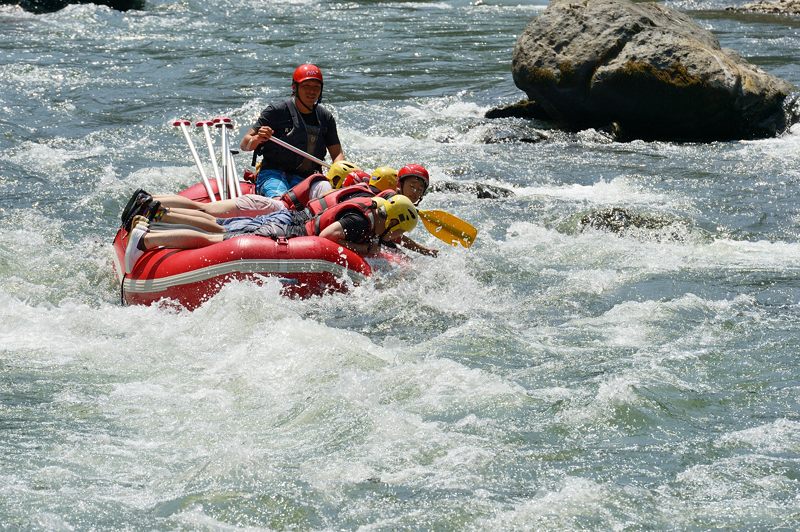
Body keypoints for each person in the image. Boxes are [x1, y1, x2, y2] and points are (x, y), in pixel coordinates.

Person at [124, 195, 419, 274]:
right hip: (283, 232)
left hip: (283, 222)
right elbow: (327, 238)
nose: (395, 238)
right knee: (215, 237)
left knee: (216, 226)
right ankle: (149, 237)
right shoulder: (359, 223)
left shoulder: (370, 212)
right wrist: (360, 250)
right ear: (391, 222)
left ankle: (162, 215)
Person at [239, 64, 345, 198]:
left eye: (316, 87)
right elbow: (244, 144)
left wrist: (338, 172)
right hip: (274, 174)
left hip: (308, 177)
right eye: (306, 86)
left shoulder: (325, 117)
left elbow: (337, 154)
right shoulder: (276, 111)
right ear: (295, 87)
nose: (312, 92)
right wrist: (258, 139)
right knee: (280, 202)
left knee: (329, 195)